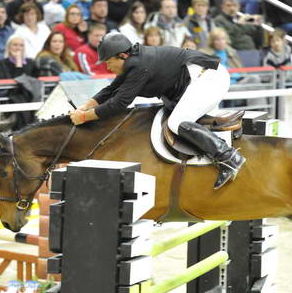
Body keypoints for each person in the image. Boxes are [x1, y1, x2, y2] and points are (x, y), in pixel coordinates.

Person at [69, 31, 246, 189]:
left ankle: (229, 158)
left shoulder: (139, 65)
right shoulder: (132, 61)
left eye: (108, 62)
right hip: (202, 79)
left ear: (122, 55)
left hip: (208, 79)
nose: (107, 67)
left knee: (177, 123)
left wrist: (84, 118)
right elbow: (110, 90)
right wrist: (84, 106)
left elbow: (119, 103)